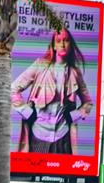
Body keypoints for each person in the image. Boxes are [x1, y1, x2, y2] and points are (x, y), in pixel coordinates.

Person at [11, 26, 95, 154]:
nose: (62, 44)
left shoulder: (75, 73)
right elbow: (13, 89)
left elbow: (88, 102)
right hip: (38, 135)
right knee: (34, 173)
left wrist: (73, 115)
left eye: (66, 40)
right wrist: (27, 112)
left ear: (70, 45)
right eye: (58, 40)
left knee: (64, 174)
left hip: (63, 138)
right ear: (54, 45)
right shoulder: (40, 65)